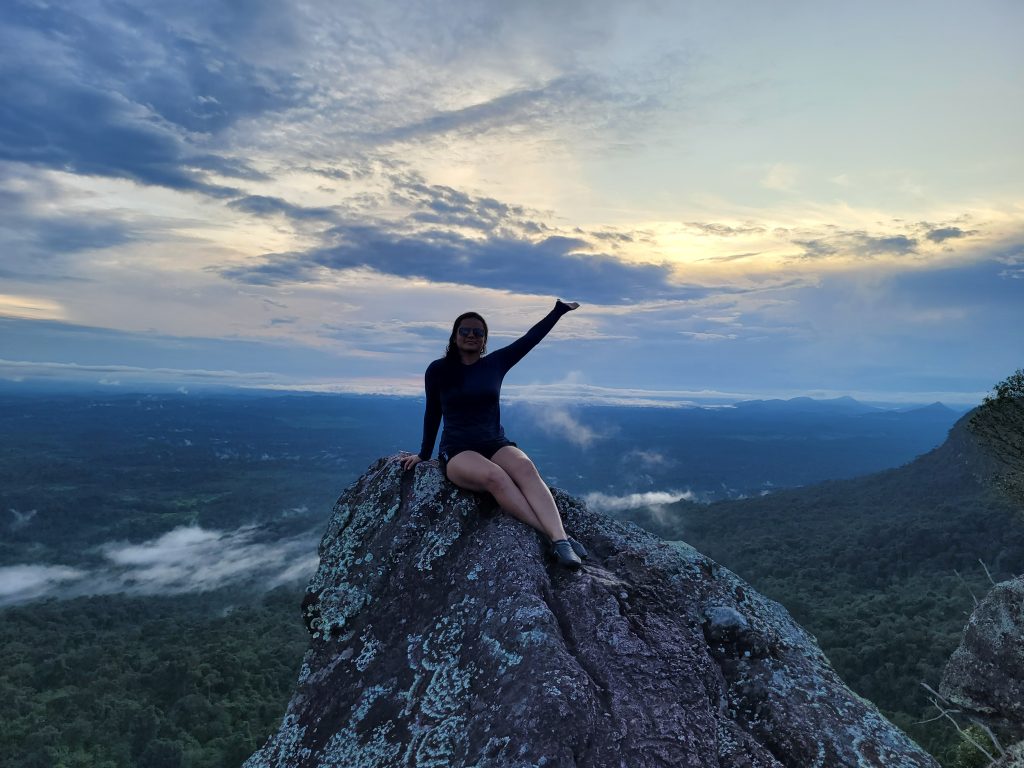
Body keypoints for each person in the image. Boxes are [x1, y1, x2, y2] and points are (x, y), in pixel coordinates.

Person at [401, 299, 587, 568]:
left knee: (524, 467)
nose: (471, 335)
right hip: (457, 450)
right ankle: (558, 538)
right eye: (465, 330)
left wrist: (558, 310)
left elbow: (530, 339)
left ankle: (560, 541)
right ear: (454, 336)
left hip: (494, 442)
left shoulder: (496, 363)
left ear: (485, 340)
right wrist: (423, 454)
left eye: (478, 332)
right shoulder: (438, 370)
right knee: (496, 477)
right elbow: (433, 413)